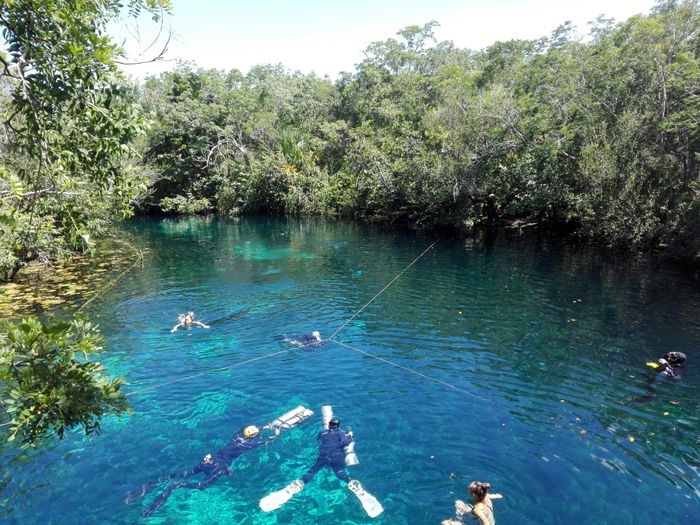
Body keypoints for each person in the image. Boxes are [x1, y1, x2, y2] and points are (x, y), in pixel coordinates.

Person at [127, 424, 279, 517]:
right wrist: (275, 433)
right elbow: (265, 442)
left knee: (188, 472)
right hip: (218, 466)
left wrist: (260, 428)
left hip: (209, 459)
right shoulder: (247, 445)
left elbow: (242, 430)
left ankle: (157, 482)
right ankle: (178, 485)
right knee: (202, 485)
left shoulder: (236, 437)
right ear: (253, 435)